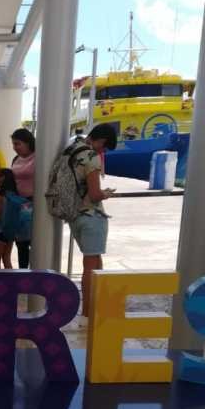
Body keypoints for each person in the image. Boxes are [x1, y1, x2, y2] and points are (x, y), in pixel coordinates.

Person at [68, 123, 117, 319]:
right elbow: (95, 194)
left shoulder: (71, 150)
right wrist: (106, 193)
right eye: (105, 147)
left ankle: (96, 305)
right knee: (90, 266)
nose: (103, 151)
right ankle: (88, 312)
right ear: (102, 141)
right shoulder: (91, 157)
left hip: (74, 216)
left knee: (95, 261)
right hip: (91, 216)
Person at [10, 128, 36, 268]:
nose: (15, 148)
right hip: (19, 205)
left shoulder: (39, 156)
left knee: (35, 243)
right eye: (13, 144)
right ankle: (23, 274)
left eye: (18, 144)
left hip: (35, 206)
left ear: (28, 142)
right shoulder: (16, 159)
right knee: (21, 244)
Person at [0, 168, 17, 269]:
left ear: (2, 178)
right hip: (11, 230)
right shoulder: (14, 195)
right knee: (6, 258)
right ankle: (11, 283)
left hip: (0, 231)